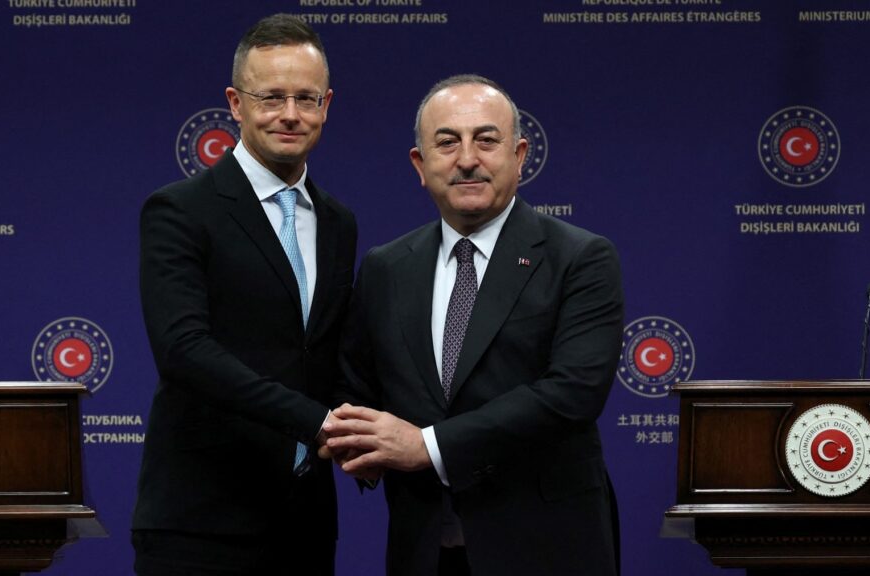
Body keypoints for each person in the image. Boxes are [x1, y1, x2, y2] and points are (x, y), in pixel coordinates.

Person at [324, 74, 623, 576]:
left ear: (520, 156)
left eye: (486, 140)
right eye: (447, 143)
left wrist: (427, 447)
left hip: (547, 550)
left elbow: (572, 393)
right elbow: (356, 387)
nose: (467, 159)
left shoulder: (580, 258)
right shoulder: (385, 267)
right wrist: (352, 437)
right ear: (420, 165)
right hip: (424, 550)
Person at [131, 14, 356, 576]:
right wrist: (318, 422)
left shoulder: (338, 222)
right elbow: (184, 351)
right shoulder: (180, 211)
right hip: (201, 524)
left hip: (306, 525)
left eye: (306, 98)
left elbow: (325, 354)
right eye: (271, 97)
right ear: (235, 103)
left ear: (326, 105)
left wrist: (368, 433)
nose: (290, 114)